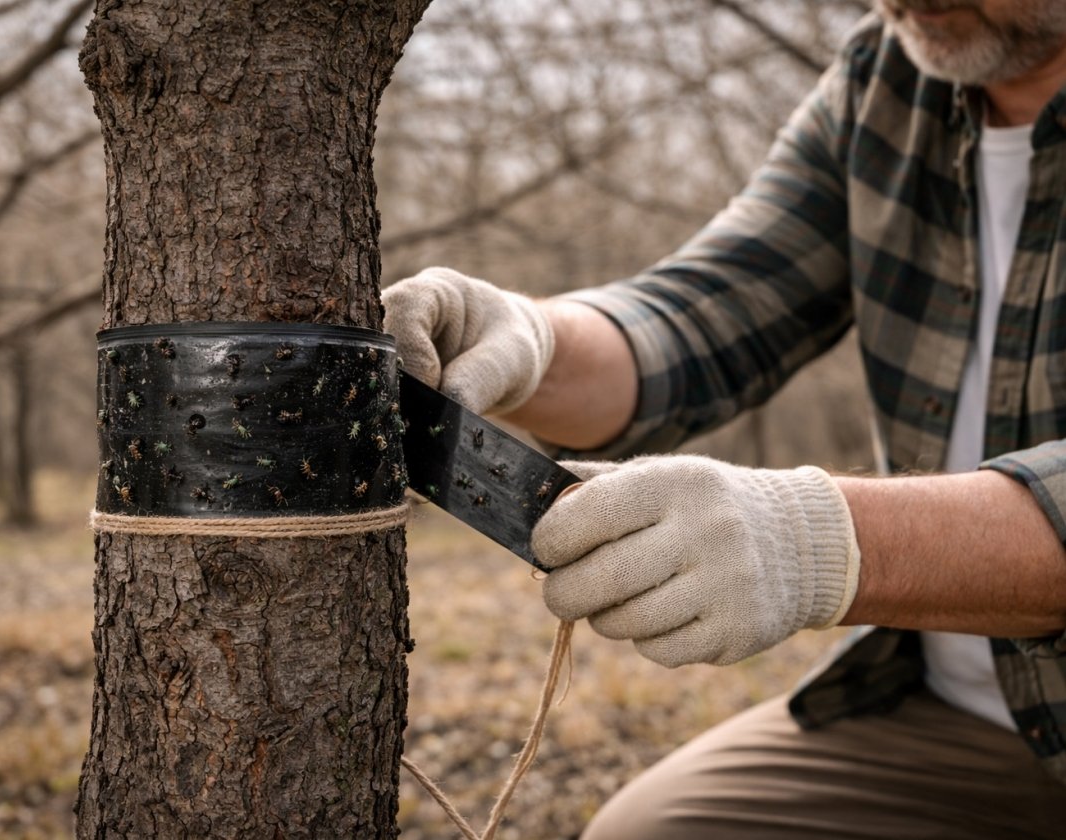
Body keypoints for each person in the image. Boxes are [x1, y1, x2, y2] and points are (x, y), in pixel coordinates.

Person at [382, 2, 1066, 837]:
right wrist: (530, 339)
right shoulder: (884, 81)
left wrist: (817, 540)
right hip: (959, 714)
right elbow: (709, 310)